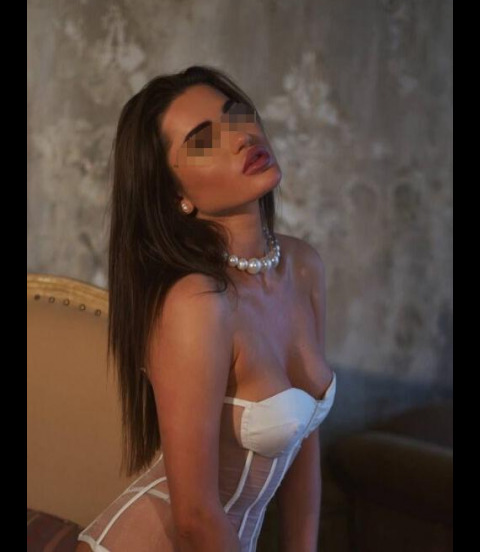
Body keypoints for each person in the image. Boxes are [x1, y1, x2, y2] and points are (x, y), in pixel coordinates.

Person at [75, 65, 336, 552]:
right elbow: (194, 518)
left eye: (236, 115)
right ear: (177, 195)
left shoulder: (303, 265)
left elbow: (305, 438)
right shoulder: (197, 304)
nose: (240, 137)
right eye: (203, 140)